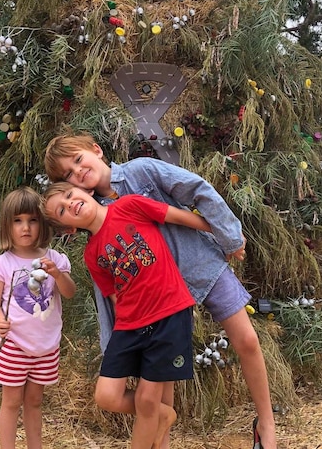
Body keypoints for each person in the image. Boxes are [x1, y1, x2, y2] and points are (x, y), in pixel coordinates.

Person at [44, 132, 278, 449]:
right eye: (68, 174)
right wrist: (116, 338)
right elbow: (110, 285)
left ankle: (266, 423)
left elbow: (197, 190)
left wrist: (229, 236)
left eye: (78, 160)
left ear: (96, 150)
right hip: (157, 301)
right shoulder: (88, 212)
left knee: (247, 340)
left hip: (198, 263)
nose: (78, 172)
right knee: (158, 385)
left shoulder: (141, 171)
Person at [43, 181, 210, 449]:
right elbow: (113, 295)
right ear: (70, 228)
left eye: (68, 195)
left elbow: (178, 216)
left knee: (147, 401)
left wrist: (221, 232)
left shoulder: (129, 205)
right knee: (107, 396)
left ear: (84, 191)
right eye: (61, 210)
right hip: (130, 324)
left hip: (168, 313)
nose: (69, 203)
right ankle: (164, 414)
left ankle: (156, 413)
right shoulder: (91, 254)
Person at [0, 187, 77, 449]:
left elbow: (69, 293)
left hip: (47, 345)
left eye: (32, 220)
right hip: (13, 344)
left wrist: (58, 274)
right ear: (7, 225)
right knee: (11, 402)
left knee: (35, 401)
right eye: (17, 221)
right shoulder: (1, 263)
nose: (25, 227)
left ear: (42, 223)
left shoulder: (55, 259)